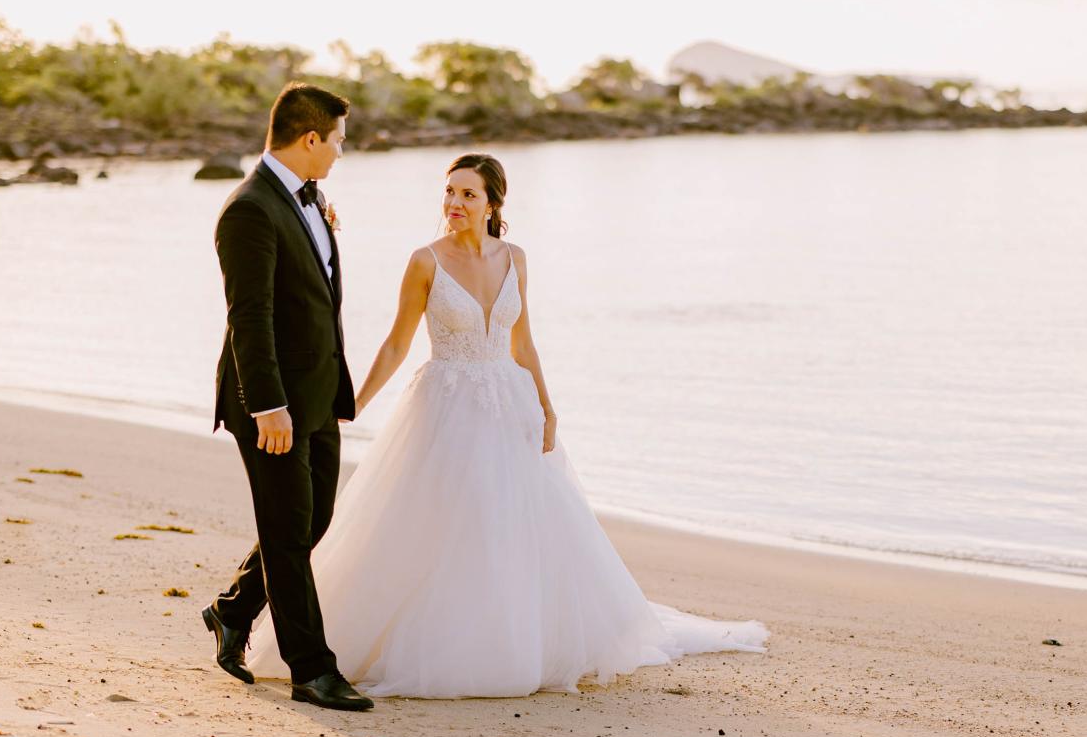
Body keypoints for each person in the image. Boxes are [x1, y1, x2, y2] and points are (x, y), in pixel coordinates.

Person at [242, 152, 767, 698]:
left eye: (468, 195)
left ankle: (517, 636)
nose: (454, 204)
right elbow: (397, 342)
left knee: (514, 525)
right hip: (444, 409)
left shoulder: (516, 257)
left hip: (509, 405)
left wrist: (547, 404)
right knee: (447, 526)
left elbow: (522, 341)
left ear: (493, 203)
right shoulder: (425, 260)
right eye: (449, 192)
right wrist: (350, 403)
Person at [201, 83, 372, 712]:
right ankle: (312, 669)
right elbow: (251, 316)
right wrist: (267, 405)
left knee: (312, 522)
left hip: (317, 396)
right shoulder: (248, 209)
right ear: (309, 139)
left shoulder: (309, 201)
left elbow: (316, 299)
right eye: (337, 143)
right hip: (269, 402)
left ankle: (231, 610)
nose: (338, 155)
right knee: (286, 530)